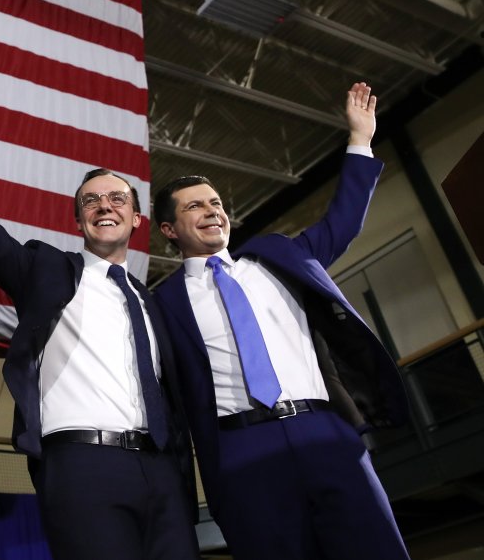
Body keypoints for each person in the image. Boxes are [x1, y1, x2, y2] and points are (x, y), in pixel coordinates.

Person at [0, 65, 200, 560]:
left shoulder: (154, 302)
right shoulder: (44, 270)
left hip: (163, 470)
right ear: (78, 216)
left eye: (117, 198)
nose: (105, 205)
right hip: (81, 465)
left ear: (137, 217)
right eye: (91, 200)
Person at [152, 82, 411, 560]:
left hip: (326, 432)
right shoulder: (160, 303)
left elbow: (343, 221)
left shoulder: (277, 256)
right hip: (240, 450)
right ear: (169, 230)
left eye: (216, 203)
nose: (212, 211)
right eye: (195, 206)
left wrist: (360, 139)